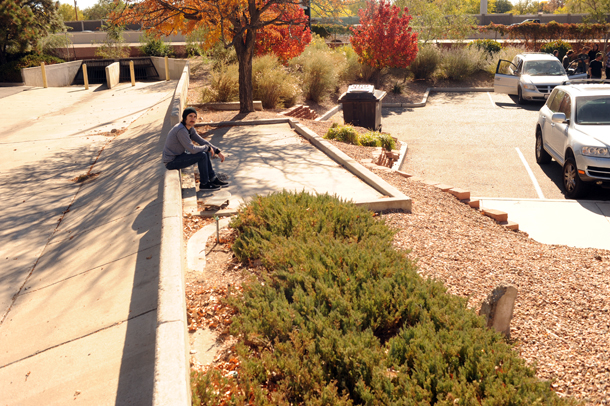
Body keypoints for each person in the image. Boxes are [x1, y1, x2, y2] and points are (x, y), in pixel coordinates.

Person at [162, 107, 228, 190]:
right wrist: (206, 148)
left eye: (195, 116)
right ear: (185, 117)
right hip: (171, 161)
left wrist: (217, 151)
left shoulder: (189, 128)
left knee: (205, 152)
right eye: (190, 116)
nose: (193, 119)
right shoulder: (181, 130)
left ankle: (213, 179)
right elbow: (191, 149)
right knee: (202, 155)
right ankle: (204, 184)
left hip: (179, 156)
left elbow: (201, 141)